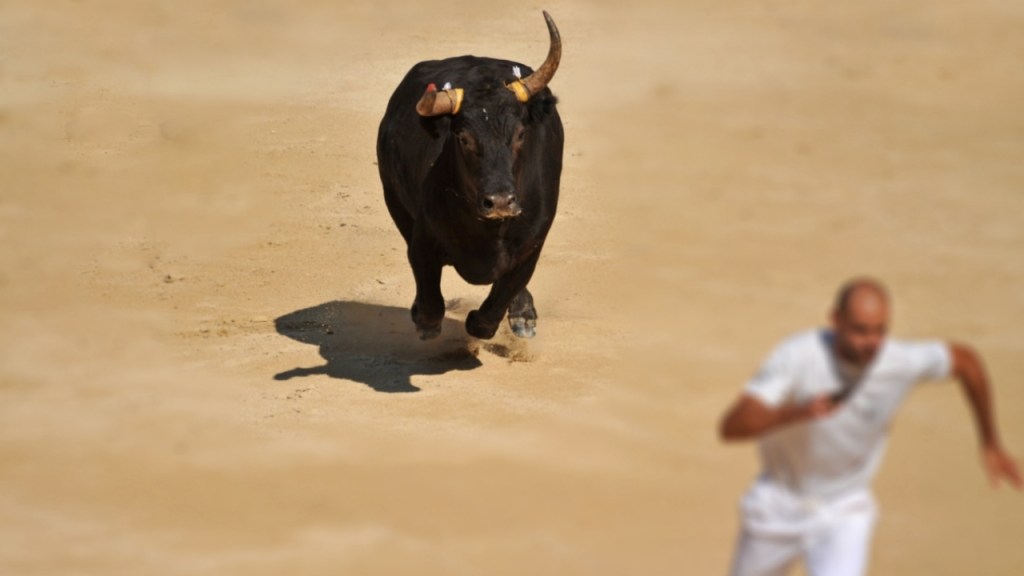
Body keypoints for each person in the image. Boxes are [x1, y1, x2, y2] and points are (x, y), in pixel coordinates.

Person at [720, 277, 1021, 576]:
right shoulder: (797, 355)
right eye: (860, 331)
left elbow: (967, 361)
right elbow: (732, 426)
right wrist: (797, 413)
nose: (872, 343)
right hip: (778, 503)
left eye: (880, 331)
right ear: (835, 320)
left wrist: (990, 440)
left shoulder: (899, 361)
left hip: (844, 509)